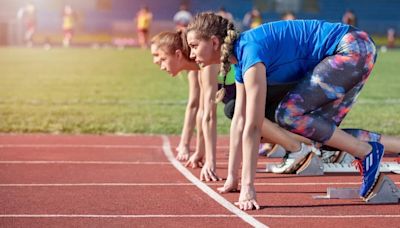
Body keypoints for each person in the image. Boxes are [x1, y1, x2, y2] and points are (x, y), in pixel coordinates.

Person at [186, 12, 387, 210]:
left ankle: (366, 152)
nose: (191, 54)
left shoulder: (250, 53)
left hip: (353, 48)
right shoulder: (241, 61)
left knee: (288, 114)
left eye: (194, 46)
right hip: (355, 47)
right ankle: (368, 151)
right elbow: (239, 119)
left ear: (214, 42)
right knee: (318, 133)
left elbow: (254, 126)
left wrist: (248, 188)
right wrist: (233, 177)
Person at [150, 31, 224, 181]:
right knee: (236, 113)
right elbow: (203, 112)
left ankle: (285, 144)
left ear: (178, 55)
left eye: (163, 58)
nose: (160, 65)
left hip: (269, 82)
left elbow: (210, 115)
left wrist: (210, 162)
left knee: (239, 116)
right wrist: (199, 151)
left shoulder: (207, 64)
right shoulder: (201, 68)